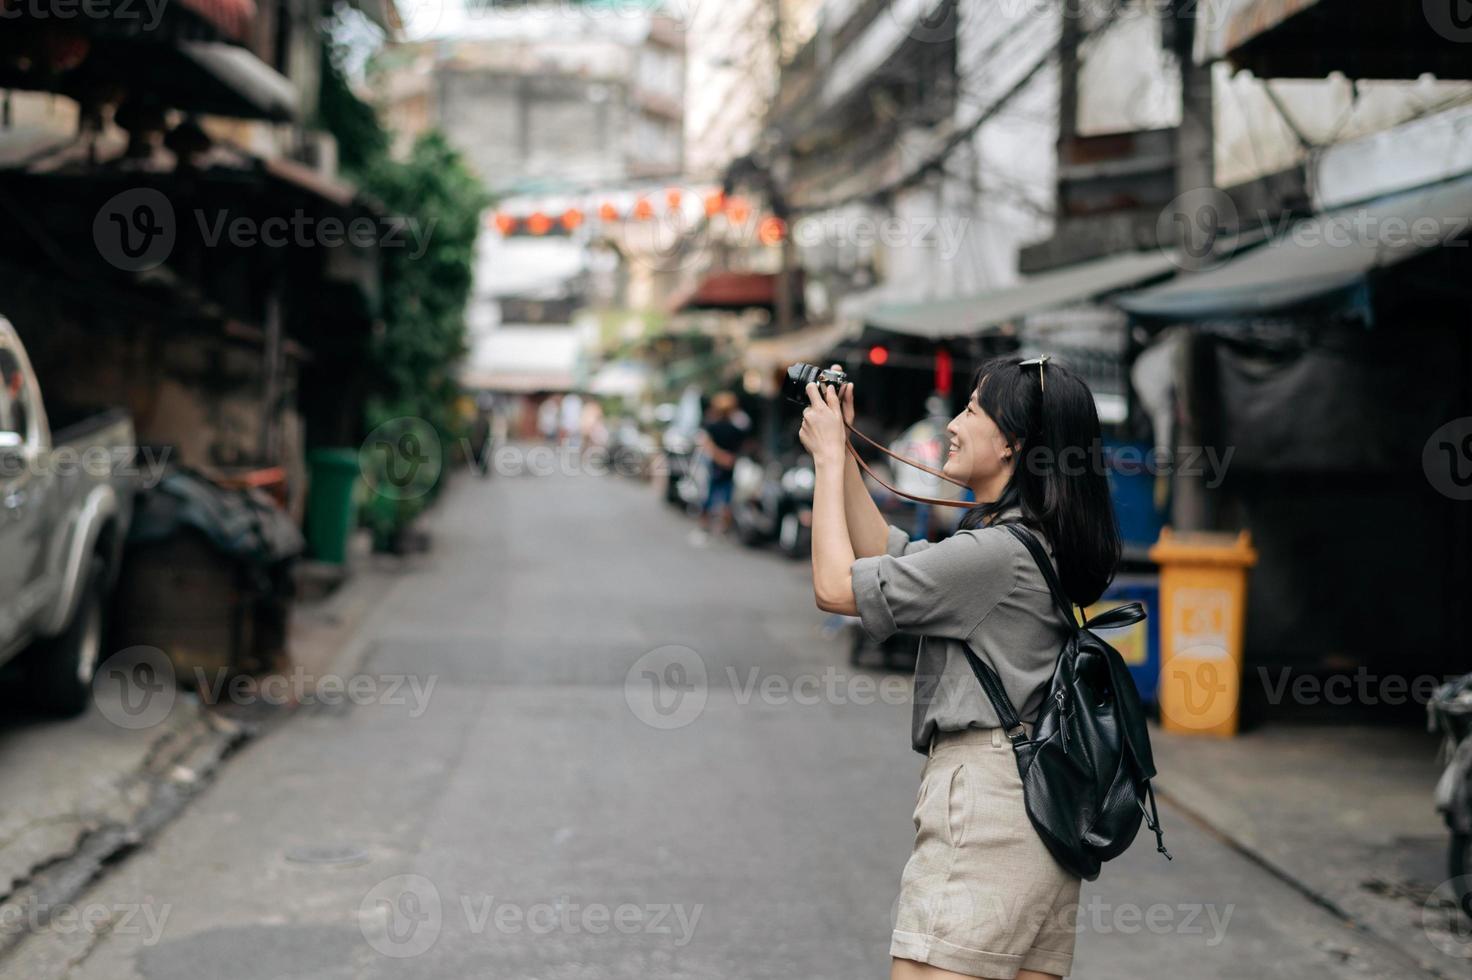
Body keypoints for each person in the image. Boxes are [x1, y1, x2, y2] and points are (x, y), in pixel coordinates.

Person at [798, 355, 1121, 980]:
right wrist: (845, 463)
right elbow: (888, 557)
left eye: (972, 410)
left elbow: (836, 588)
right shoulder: (1029, 540)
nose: (953, 423)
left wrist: (829, 459)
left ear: (1013, 445)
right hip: (1036, 819)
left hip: (988, 814)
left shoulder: (997, 554)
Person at [695, 391, 746, 539]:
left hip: (716, 466)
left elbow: (707, 445)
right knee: (727, 497)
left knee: (710, 494)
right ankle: (723, 527)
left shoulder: (712, 427)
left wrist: (718, 456)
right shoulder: (736, 429)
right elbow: (740, 448)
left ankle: (705, 524)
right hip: (728, 466)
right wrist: (727, 458)